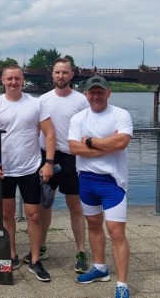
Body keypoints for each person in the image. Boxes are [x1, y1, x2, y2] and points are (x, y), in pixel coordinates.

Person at [0, 65, 56, 282]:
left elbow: (50, 134)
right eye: (9, 79)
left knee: (34, 215)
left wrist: (48, 162)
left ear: (23, 80)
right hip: (4, 170)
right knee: (6, 215)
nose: (14, 82)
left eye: (17, 79)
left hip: (31, 169)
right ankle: (11, 255)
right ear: (3, 80)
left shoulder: (35, 103)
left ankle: (34, 260)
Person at [68, 76, 133, 298]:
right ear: (85, 94)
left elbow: (121, 142)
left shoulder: (120, 115)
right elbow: (74, 148)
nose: (96, 96)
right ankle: (99, 268)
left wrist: (90, 141)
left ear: (109, 92)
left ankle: (122, 284)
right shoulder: (78, 118)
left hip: (112, 182)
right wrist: (107, 144)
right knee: (93, 225)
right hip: (87, 180)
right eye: (92, 92)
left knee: (116, 232)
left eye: (100, 92)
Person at [27, 59, 90, 273]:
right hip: (46, 157)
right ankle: (42, 246)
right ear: (52, 75)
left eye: (65, 72)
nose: (61, 76)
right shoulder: (42, 100)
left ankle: (81, 251)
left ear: (72, 75)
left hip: (71, 158)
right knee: (45, 203)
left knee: (75, 206)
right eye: (57, 73)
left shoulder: (81, 101)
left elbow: (87, 130)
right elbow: (35, 130)